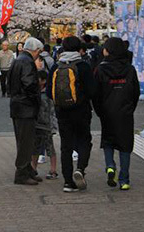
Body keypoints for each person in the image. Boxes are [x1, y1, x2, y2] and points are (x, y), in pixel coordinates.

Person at [47, 36, 97, 193]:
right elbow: (92, 91)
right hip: (81, 111)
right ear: (79, 49)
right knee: (84, 141)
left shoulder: (56, 67)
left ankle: (68, 182)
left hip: (62, 112)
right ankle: (80, 169)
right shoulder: (83, 66)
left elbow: (49, 92)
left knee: (66, 146)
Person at [94, 38, 140, 190]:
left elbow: (96, 94)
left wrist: (100, 110)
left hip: (107, 111)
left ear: (109, 50)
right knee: (125, 146)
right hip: (125, 112)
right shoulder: (130, 69)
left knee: (108, 141)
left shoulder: (101, 69)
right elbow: (136, 92)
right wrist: (130, 108)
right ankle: (124, 180)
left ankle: (110, 166)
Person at [7, 37, 43, 186]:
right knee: (26, 142)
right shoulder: (27, 62)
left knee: (23, 140)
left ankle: (27, 170)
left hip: (17, 104)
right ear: (35, 50)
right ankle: (22, 172)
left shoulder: (17, 60)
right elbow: (29, 84)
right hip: (26, 106)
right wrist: (36, 98)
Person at [32, 70, 58, 180]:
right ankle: (33, 168)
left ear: (43, 81)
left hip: (46, 124)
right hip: (37, 123)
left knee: (49, 147)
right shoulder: (35, 92)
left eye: (38, 79)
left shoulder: (48, 93)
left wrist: (53, 125)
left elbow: (52, 111)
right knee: (35, 147)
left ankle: (53, 170)